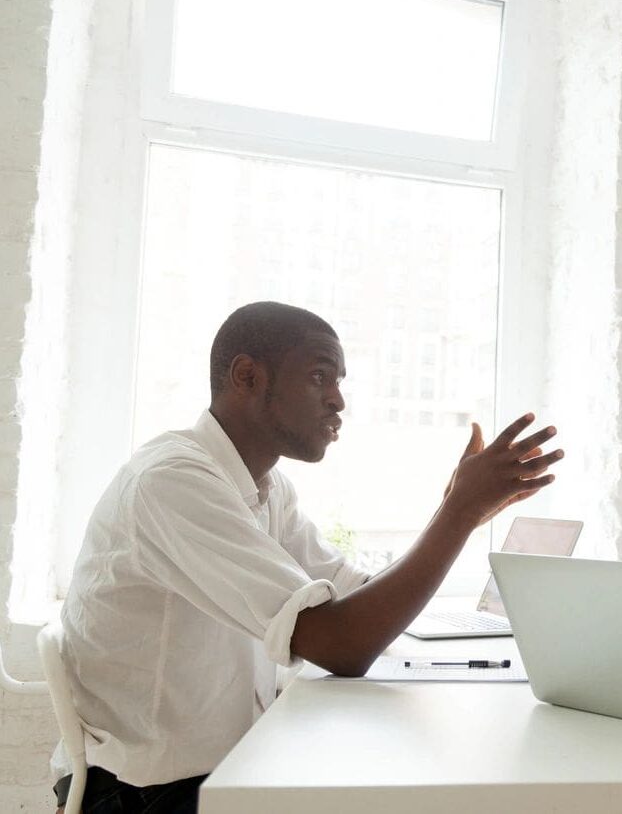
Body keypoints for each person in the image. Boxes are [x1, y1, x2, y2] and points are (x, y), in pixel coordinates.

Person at [51, 301, 563, 813]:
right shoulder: (172, 482)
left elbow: (356, 598)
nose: (338, 400)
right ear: (247, 376)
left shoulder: (265, 487)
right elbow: (342, 645)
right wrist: (458, 512)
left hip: (225, 770)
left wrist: (457, 511)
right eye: (320, 376)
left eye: (339, 381)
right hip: (144, 796)